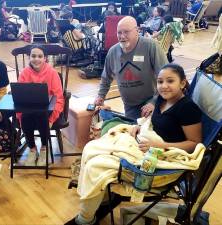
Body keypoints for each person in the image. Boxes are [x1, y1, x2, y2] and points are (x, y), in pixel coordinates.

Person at [65, 63, 202, 225]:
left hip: (159, 157)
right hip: (145, 142)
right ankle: (102, 198)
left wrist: (159, 145)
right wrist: (140, 125)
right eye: (160, 81)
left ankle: (86, 218)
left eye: (170, 81)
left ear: (183, 83)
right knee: (91, 148)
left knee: (96, 166)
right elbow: (155, 122)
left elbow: (195, 143)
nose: (164, 86)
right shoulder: (162, 99)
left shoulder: (188, 108)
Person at [95, 16, 168, 120]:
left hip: (151, 101)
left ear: (137, 31)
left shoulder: (150, 46)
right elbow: (106, 77)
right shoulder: (113, 52)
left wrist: (154, 102)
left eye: (126, 32)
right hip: (129, 105)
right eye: (119, 32)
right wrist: (100, 96)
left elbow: (165, 75)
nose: (122, 36)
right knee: (132, 129)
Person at [17, 45, 64, 166]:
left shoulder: (52, 73)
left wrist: (52, 118)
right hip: (28, 111)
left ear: (45, 58)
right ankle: (32, 149)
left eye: (40, 56)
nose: (36, 59)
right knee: (26, 116)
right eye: (33, 56)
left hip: (47, 112)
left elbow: (58, 98)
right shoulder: (24, 73)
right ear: (29, 57)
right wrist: (19, 116)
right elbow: (19, 97)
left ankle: (44, 148)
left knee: (42, 115)